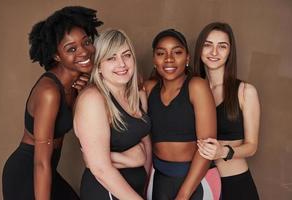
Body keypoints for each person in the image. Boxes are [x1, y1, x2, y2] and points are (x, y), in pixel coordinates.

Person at [2, 6, 102, 200]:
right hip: (28, 172)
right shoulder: (49, 93)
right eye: (71, 49)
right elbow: (40, 162)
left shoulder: (75, 83)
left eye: (87, 42)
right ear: (57, 56)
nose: (84, 52)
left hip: (47, 169)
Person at [73, 29, 152, 200]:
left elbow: (145, 142)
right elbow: (100, 169)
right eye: (111, 58)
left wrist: (141, 172)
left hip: (135, 191)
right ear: (99, 66)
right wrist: (130, 159)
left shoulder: (136, 94)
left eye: (126, 55)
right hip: (106, 192)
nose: (122, 64)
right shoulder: (92, 99)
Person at [144, 29, 221, 200]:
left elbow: (207, 148)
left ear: (187, 58)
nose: (169, 58)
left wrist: (184, 195)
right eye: (161, 53)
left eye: (177, 52)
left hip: (197, 181)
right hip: (159, 179)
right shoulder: (148, 89)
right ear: (154, 60)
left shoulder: (197, 87)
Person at [194, 22, 260, 200]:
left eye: (222, 46)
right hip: (199, 184)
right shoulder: (191, 89)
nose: (214, 52)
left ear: (230, 52)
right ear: (199, 49)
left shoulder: (246, 91)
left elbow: (252, 146)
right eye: (208, 45)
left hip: (235, 184)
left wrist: (223, 151)